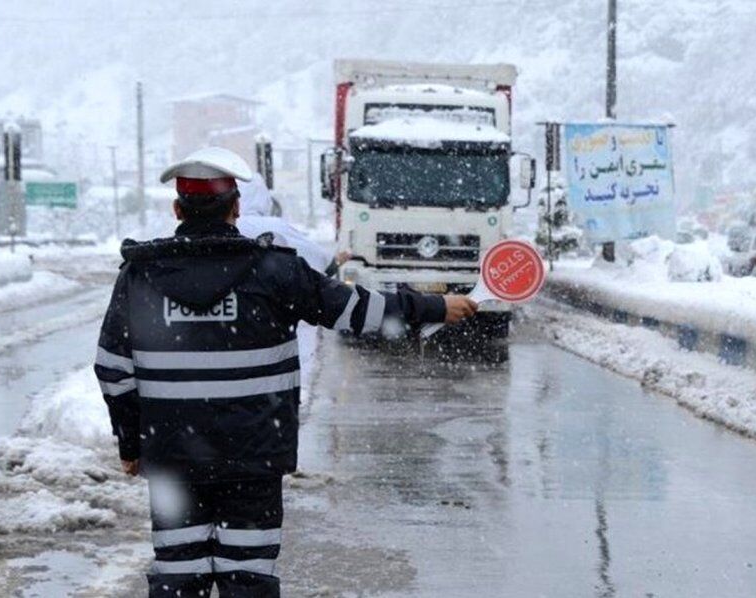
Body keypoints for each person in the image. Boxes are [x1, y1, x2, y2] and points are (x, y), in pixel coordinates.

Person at [93, 146, 478, 597]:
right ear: (236, 209)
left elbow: (113, 369)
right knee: (249, 578)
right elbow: (354, 309)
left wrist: (133, 441)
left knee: (178, 576)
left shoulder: (140, 278)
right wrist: (434, 306)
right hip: (252, 459)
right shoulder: (276, 271)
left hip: (175, 462)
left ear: (177, 209)